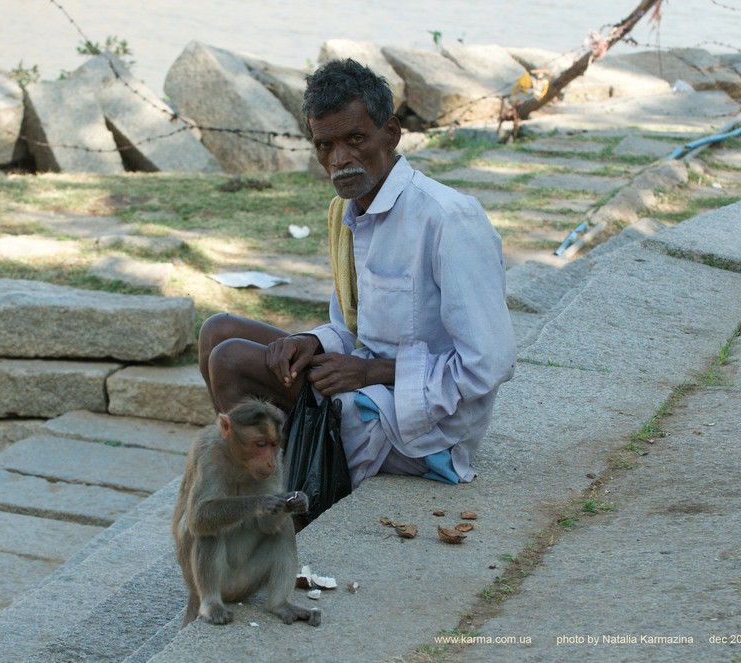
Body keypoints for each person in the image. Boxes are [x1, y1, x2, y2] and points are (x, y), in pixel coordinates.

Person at [198, 58, 516, 488]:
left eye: (355, 139)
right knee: (217, 331)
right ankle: (274, 474)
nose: (340, 160)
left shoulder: (448, 219)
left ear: (391, 133)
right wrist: (312, 342)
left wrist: (371, 373)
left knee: (231, 360)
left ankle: (268, 502)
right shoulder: (348, 214)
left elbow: (488, 365)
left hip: (421, 426)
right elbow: (354, 330)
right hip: (370, 386)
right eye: (325, 146)